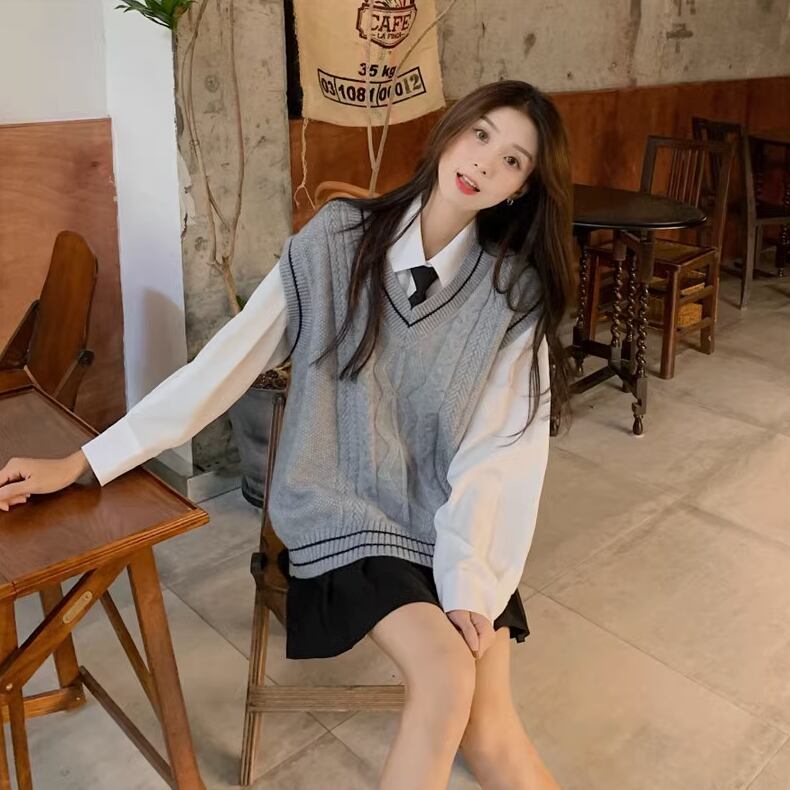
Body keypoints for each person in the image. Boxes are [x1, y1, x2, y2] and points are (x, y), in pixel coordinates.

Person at [0, 80, 573, 789]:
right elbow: (223, 366)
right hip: (342, 505)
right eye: (481, 134)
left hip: (451, 518)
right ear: (452, 129)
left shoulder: (511, 297)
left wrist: (466, 587)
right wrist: (87, 460)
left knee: (490, 729)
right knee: (447, 676)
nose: (485, 162)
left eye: (513, 160)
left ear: (522, 189)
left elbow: (499, 457)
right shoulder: (336, 241)